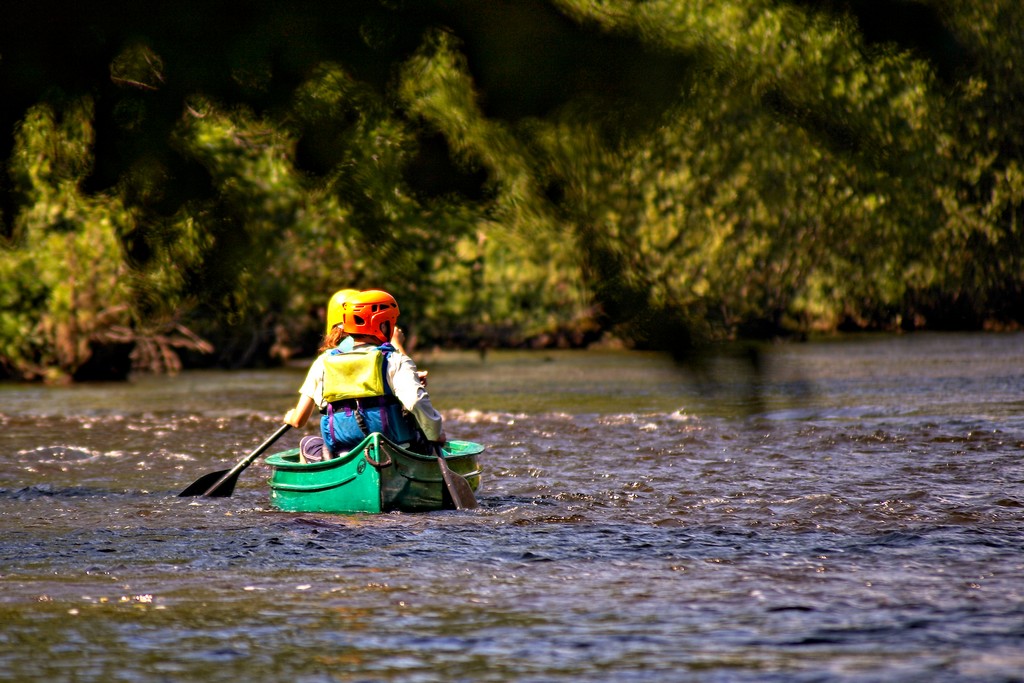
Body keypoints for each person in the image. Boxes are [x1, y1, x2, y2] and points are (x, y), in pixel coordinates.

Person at [283, 289, 444, 462]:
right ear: (383, 325)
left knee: (307, 443)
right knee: (424, 433)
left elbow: (299, 420)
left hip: (343, 454)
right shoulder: (395, 360)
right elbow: (415, 401)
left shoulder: (323, 362)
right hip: (396, 450)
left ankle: (316, 482)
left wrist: (290, 417)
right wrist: (435, 434)